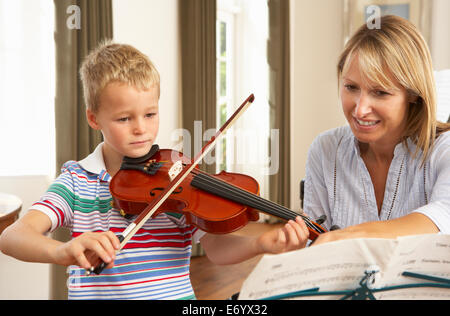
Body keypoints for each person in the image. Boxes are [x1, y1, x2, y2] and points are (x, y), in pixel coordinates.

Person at [0, 41, 309, 300]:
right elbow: (13, 235)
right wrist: (63, 251)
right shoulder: (77, 181)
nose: (141, 129)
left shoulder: (177, 179)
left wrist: (259, 244)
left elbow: (215, 248)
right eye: (124, 119)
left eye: (150, 114)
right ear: (94, 119)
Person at [304, 15, 450, 246]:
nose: (360, 110)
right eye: (351, 87)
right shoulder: (325, 149)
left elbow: (442, 218)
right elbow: (314, 241)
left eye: (380, 92)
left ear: (413, 94)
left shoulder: (444, 151)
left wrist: (345, 236)